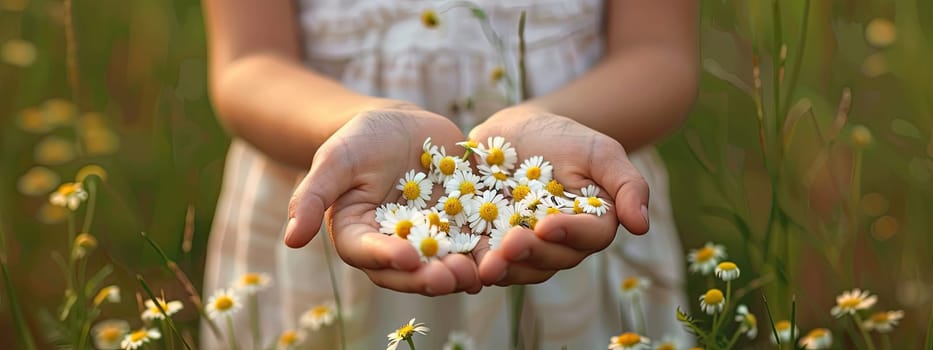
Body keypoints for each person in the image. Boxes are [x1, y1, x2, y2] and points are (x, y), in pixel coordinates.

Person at [201, 0, 698, 348]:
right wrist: (352, 127)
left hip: (565, 196)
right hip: (330, 207)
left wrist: (553, 121)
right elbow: (248, 64)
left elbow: (660, 54)